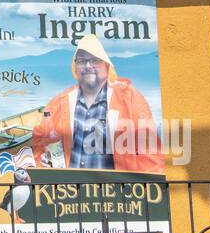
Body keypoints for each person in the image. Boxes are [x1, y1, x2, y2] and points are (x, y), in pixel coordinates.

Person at [30, 34, 164, 172]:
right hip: (69, 191)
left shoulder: (129, 99)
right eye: (81, 61)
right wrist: (42, 161)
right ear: (75, 67)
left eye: (95, 60)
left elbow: (151, 152)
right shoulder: (58, 102)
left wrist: (147, 187)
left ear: (106, 65)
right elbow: (41, 140)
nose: (88, 66)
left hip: (114, 191)